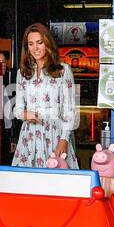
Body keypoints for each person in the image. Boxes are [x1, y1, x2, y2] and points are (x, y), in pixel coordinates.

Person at [12, 23, 78, 168]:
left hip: (55, 135)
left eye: (39, 43)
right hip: (29, 138)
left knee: (58, 184)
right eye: (30, 44)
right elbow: (17, 109)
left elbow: (70, 109)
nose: (35, 48)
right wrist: (24, 114)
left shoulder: (63, 70)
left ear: (47, 43)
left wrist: (64, 139)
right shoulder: (22, 73)